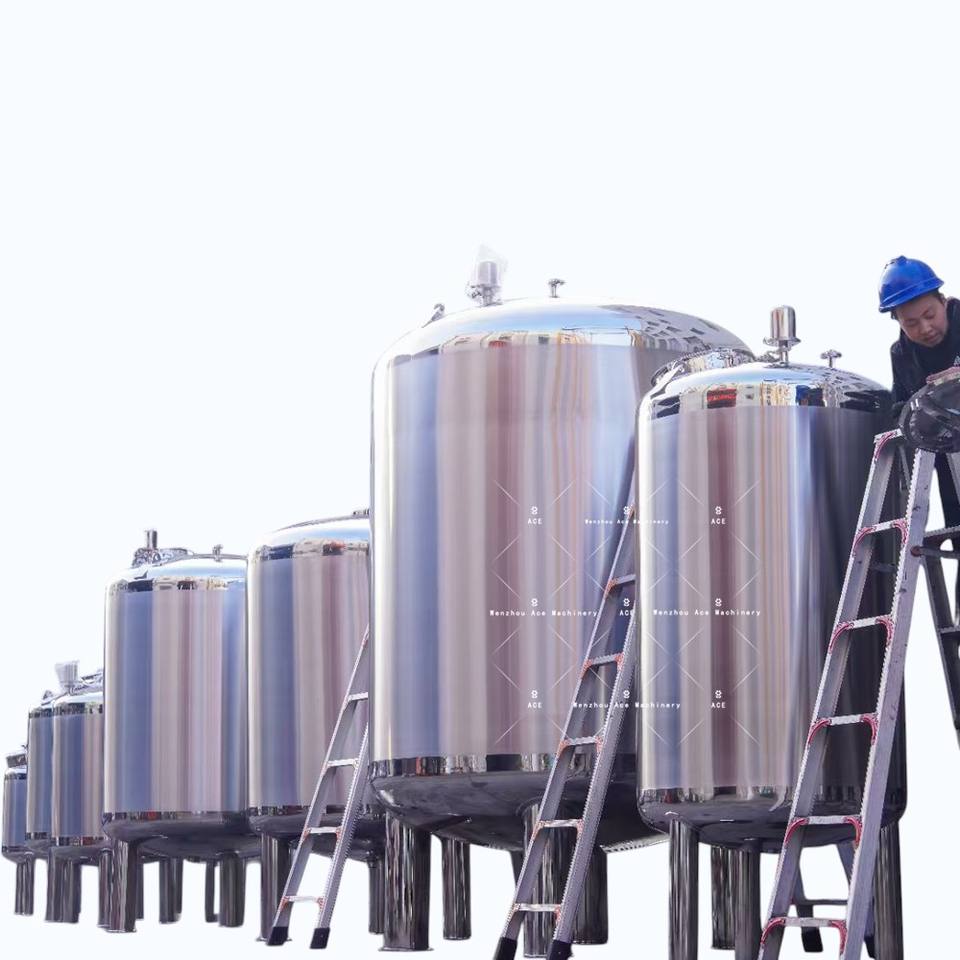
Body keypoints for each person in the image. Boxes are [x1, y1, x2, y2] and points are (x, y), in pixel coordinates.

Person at [881, 255, 960, 614]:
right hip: (951, 465)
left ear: (943, 301)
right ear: (898, 321)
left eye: (930, 315)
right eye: (911, 323)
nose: (925, 328)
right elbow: (900, 410)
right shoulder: (902, 354)